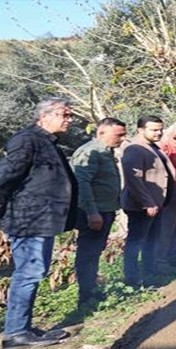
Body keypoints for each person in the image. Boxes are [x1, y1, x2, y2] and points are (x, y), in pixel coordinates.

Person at [0, 98, 77, 349]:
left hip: (39, 219)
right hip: (29, 219)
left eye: (70, 115)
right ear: (43, 117)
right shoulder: (27, 140)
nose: (69, 119)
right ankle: (15, 333)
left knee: (33, 273)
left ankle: (21, 327)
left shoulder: (46, 141)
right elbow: (4, 178)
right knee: (29, 273)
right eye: (64, 114)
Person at [71, 117, 128, 306]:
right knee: (88, 253)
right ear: (102, 132)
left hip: (105, 209)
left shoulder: (106, 152)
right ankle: (86, 297)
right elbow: (82, 183)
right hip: (95, 212)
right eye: (118, 135)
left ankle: (91, 291)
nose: (122, 138)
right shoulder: (91, 151)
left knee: (94, 252)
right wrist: (92, 212)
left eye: (123, 134)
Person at [120, 115, 174, 288]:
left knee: (151, 239)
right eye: (154, 129)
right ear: (141, 130)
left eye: (160, 129)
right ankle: (133, 278)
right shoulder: (135, 148)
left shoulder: (151, 147)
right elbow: (133, 179)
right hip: (141, 206)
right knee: (136, 242)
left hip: (155, 203)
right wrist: (147, 203)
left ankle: (150, 272)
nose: (159, 132)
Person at [151, 121, 176, 271]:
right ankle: (159, 263)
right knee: (165, 230)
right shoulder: (163, 150)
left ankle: (172, 259)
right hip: (168, 195)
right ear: (168, 136)